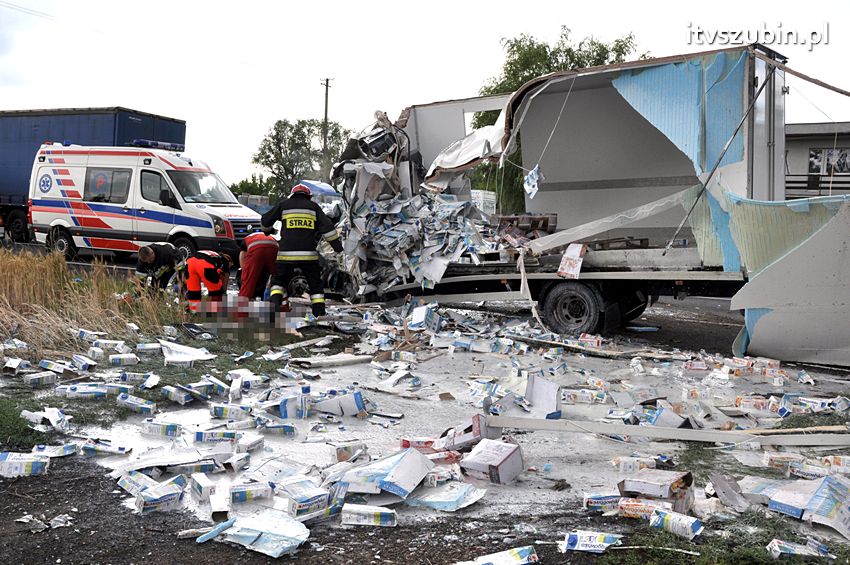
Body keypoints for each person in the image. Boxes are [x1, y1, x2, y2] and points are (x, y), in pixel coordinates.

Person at [261, 183, 342, 317]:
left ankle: (273, 312)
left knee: (278, 283)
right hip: (308, 256)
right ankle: (319, 314)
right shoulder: (314, 207)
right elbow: (328, 229)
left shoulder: (284, 205)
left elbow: (265, 222)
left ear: (292, 195)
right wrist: (338, 248)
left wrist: (268, 231)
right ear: (309, 196)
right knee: (315, 285)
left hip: (285, 256)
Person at [237, 228, 279, 300]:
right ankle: (279, 303)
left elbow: (242, 258)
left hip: (257, 249)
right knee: (278, 279)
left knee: (248, 283)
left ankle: (243, 306)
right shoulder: (269, 236)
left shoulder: (246, 240)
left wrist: (245, 272)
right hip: (274, 246)